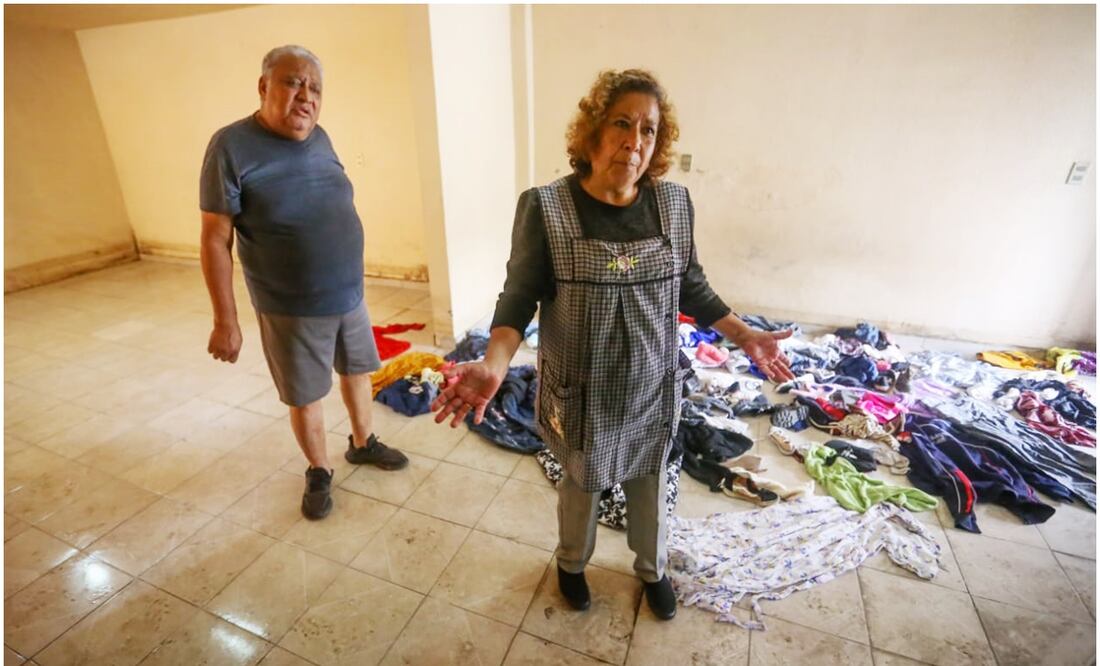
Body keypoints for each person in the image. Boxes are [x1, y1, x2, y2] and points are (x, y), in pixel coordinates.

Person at [431, 69, 795, 620]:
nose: (634, 141)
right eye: (621, 124)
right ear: (592, 134)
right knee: (581, 485)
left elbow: (689, 284)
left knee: (652, 484)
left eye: (648, 130)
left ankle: (652, 569)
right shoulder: (546, 208)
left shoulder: (674, 204)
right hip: (583, 393)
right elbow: (518, 298)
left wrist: (745, 336)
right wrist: (494, 363)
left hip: (653, 386)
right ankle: (571, 563)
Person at [199, 45, 408, 521]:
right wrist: (224, 320)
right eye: (294, 83)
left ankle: (362, 442)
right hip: (289, 303)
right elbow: (215, 239)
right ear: (264, 86)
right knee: (306, 392)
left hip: (348, 293)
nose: (306, 97)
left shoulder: (321, 136)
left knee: (357, 370)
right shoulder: (230, 146)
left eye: (315, 88)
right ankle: (319, 469)